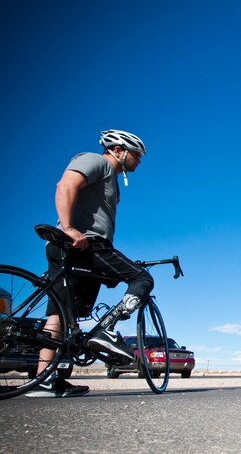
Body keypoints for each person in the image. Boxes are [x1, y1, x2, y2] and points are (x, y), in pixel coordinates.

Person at [26, 129, 152, 398]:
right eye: (136, 155)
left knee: (61, 314)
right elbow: (66, 185)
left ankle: (45, 381)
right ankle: (105, 332)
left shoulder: (112, 179)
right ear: (118, 150)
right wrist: (69, 228)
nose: (139, 160)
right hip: (84, 244)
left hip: (68, 248)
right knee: (142, 278)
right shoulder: (96, 161)